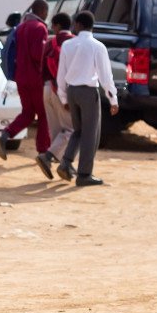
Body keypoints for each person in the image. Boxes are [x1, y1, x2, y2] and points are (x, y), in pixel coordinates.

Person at [56, 11, 118, 187]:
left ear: (78, 25)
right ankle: (84, 174)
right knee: (91, 134)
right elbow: (106, 76)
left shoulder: (68, 45)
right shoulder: (98, 46)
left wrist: (63, 98)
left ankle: (66, 163)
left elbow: (61, 74)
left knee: (78, 130)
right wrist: (113, 100)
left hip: (72, 91)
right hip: (89, 93)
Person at [0, 0, 50, 160]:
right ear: (41, 11)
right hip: (36, 79)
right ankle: (43, 151)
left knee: (27, 113)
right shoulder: (40, 28)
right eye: (46, 12)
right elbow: (37, 54)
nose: (46, 15)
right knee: (43, 114)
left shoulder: (21, 27)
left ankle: (5, 134)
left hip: (21, 77)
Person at [35, 12, 76, 180]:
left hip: (46, 89)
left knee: (57, 131)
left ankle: (66, 165)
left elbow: (41, 68)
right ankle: (48, 157)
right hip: (62, 89)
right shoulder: (73, 42)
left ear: (57, 26)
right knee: (72, 130)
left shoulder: (50, 43)